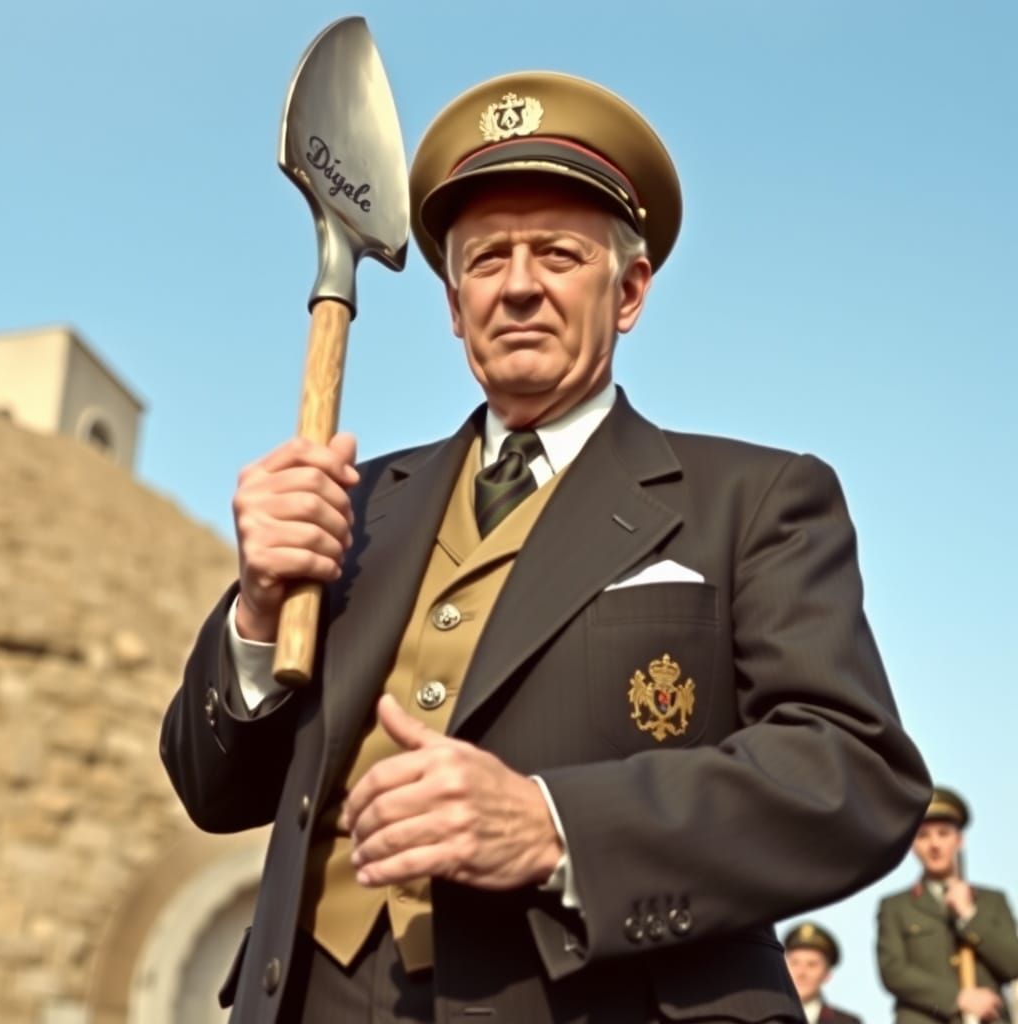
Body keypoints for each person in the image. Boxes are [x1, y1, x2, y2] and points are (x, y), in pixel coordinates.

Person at [161, 70, 932, 1024]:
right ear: (453, 306)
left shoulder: (756, 499)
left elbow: (852, 776)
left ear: (631, 290)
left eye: (558, 253)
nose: (518, 285)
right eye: (485, 261)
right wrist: (257, 612)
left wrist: (556, 827)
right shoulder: (350, 508)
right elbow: (213, 789)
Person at [878, 787, 1018, 1024]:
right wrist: (957, 997)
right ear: (912, 844)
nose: (934, 844)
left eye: (943, 833)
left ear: (959, 840)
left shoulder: (993, 901)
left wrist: (969, 915)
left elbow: (1013, 964)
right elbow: (893, 971)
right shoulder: (895, 907)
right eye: (923, 836)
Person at [784, 922, 863, 1024]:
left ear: (827, 974)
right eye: (794, 963)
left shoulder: (847, 1022)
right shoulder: (763, 1016)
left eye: (811, 965)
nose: (801, 972)